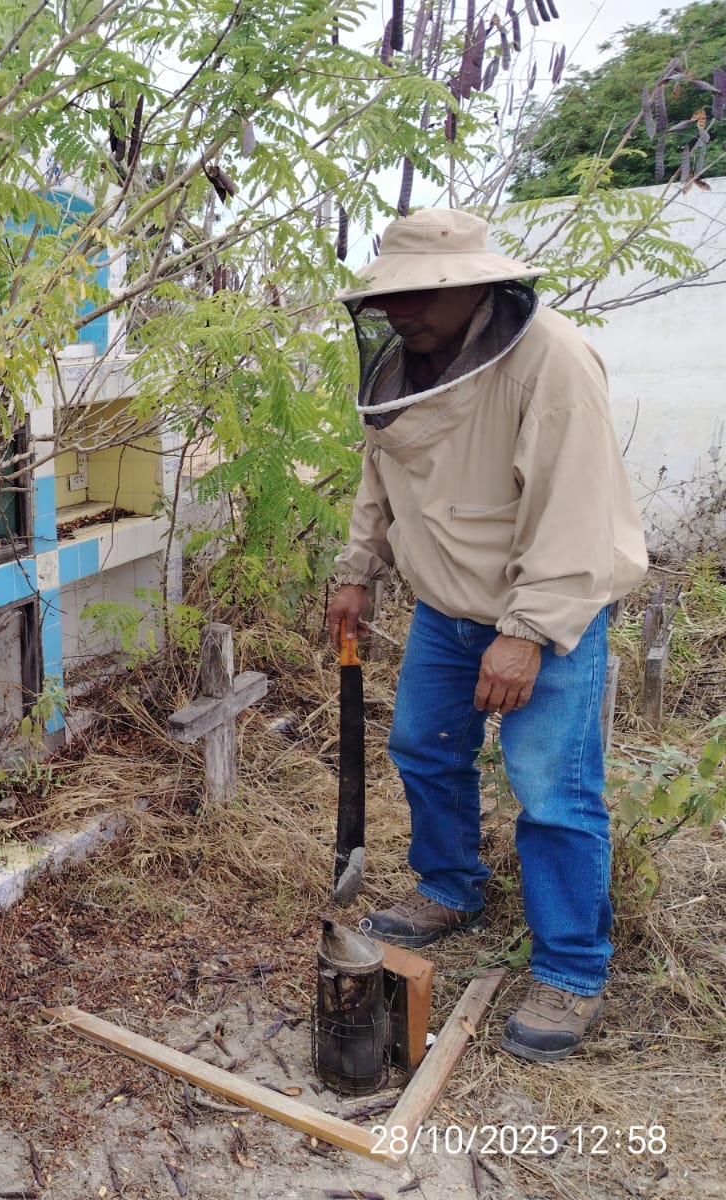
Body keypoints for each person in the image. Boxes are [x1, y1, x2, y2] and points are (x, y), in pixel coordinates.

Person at [326, 208, 647, 1063]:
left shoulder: (553, 362)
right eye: (388, 297)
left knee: (552, 792)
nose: (400, 312)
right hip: (447, 608)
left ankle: (570, 970)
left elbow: (576, 508)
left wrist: (528, 632)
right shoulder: (405, 362)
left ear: (476, 286)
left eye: (419, 295)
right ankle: (450, 886)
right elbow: (382, 467)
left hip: (547, 613)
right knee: (422, 749)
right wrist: (358, 568)